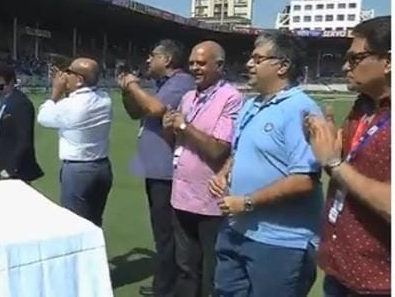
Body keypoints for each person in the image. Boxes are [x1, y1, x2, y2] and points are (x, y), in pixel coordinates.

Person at [209, 32, 323, 297]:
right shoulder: (252, 105)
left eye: (258, 58)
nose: (249, 63)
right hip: (236, 229)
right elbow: (239, 151)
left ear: (282, 66)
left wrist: (247, 201)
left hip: (280, 242)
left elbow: (304, 179)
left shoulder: (300, 109)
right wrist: (223, 174)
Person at [304, 16, 391, 297]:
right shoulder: (362, 107)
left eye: (355, 59)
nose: (345, 67)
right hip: (340, 268)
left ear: (388, 62)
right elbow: (347, 176)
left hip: (378, 281)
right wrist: (327, 149)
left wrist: (335, 163)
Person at [162, 41, 242, 297]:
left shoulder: (231, 98)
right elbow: (177, 143)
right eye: (193, 63)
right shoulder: (188, 97)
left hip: (210, 200)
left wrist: (184, 127)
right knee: (186, 267)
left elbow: (219, 150)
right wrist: (169, 128)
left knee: (212, 270)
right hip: (181, 195)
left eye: (202, 63)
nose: (195, 68)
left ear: (219, 65)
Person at [118, 39, 194, 297]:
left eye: (153, 56)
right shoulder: (164, 85)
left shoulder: (181, 82)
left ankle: (167, 289)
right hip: (156, 170)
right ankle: (165, 284)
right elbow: (135, 113)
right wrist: (127, 92)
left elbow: (156, 108)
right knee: (162, 232)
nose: (148, 60)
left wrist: (133, 84)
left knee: (168, 234)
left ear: (168, 60)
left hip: (168, 172)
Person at [37, 57, 113, 227]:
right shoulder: (105, 99)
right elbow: (82, 97)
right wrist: (69, 87)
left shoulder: (69, 105)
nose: (64, 75)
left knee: (74, 225)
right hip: (102, 168)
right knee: (94, 223)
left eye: (69, 72)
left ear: (79, 80)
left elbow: (43, 118)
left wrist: (55, 93)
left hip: (78, 170)